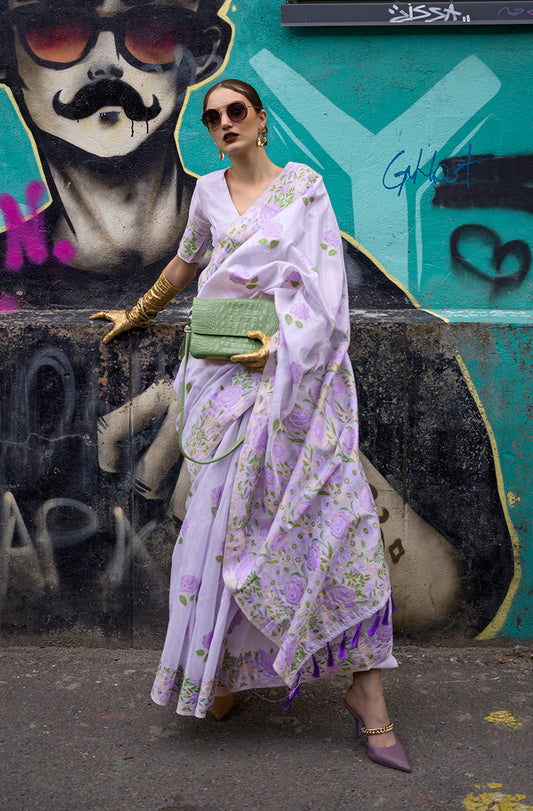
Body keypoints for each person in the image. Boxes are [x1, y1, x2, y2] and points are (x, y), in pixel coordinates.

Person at [92, 78, 411, 773]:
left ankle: (368, 694)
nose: (224, 122)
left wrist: (283, 344)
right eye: (212, 117)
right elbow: (188, 260)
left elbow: (326, 291)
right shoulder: (207, 192)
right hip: (222, 384)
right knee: (221, 531)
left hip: (299, 385)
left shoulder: (304, 188)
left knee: (335, 523)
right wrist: (138, 312)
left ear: (261, 120)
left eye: (236, 111)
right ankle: (224, 674)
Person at [0, 0, 231, 307]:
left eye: (153, 30)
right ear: (6, 53)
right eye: (57, 31)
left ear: (204, 52)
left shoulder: (247, 241)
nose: (107, 64)